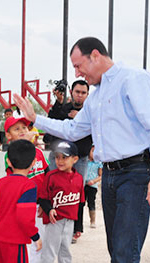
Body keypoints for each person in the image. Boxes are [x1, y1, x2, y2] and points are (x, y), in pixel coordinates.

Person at [14, 36, 150, 263]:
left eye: (79, 65)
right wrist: (34, 119)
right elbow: (72, 130)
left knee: (124, 253)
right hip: (111, 175)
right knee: (120, 251)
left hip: (137, 175)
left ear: (95, 55)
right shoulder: (97, 97)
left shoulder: (133, 79)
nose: (78, 73)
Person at [3, 116, 50, 263]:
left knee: (40, 238)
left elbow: (46, 174)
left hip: (40, 202)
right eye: (16, 129)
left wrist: (46, 201)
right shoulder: (11, 156)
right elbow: (12, 182)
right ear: (8, 136)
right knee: (26, 239)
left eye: (24, 127)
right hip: (24, 203)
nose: (22, 131)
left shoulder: (37, 152)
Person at [36, 140, 85, 263]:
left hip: (69, 221)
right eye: (57, 157)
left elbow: (80, 203)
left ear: (75, 159)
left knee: (66, 251)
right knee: (49, 251)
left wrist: (79, 226)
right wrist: (49, 208)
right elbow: (42, 198)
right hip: (54, 221)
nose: (60, 161)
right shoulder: (50, 176)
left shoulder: (78, 178)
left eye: (65, 157)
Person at [46, 80, 92, 244]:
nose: (79, 95)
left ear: (87, 94)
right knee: (53, 189)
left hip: (80, 158)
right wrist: (58, 103)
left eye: (83, 93)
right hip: (58, 156)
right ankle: (52, 223)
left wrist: (79, 118)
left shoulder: (90, 112)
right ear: (71, 91)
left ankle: (76, 228)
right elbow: (50, 122)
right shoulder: (62, 107)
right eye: (77, 92)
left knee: (77, 193)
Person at [84, 146, 103, 229]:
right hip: (84, 184)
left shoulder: (98, 163)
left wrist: (94, 181)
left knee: (91, 202)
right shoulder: (85, 161)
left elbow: (100, 176)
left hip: (92, 185)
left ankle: (93, 221)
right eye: (92, 151)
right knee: (81, 202)